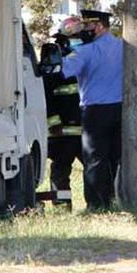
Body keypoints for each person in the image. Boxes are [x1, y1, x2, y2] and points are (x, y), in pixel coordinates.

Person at [61, 9, 122, 211]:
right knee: (115, 157)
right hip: (120, 110)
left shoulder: (85, 51)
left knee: (95, 158)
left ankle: (96, 204)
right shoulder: (123, 47)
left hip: (95, 111)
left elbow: (63, 70)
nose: (84, 30)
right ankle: (114, 198)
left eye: (87, 26)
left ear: (99, 26)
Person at [42, 17, 86, 208]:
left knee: (97, 170)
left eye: (79, 37)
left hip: (87, 129)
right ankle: (62, 207)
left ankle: (99, 204)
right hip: (63, 131)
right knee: (60, 171)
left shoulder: (88, 59)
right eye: (73, 37)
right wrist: (54, 123)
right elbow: (47, 97)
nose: (77, 41)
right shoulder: (54, 64)